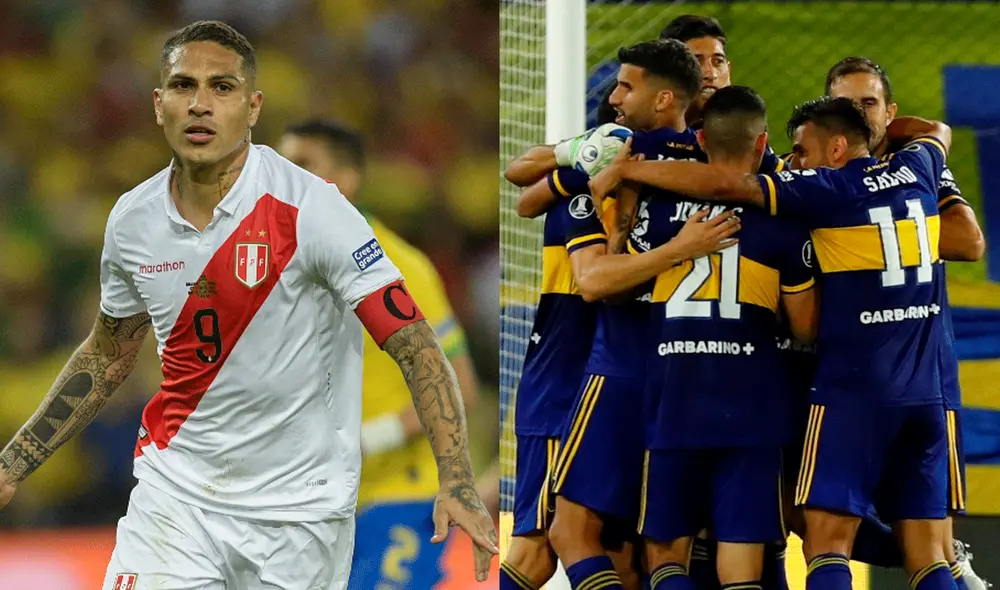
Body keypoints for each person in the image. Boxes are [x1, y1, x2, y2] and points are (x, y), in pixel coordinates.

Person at [0, 20, 496, 590]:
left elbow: (414, 343)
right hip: (175, 499)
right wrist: (13, 464)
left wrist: (455, 479)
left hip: (298, 515)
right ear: (159, 105)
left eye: (223, 88)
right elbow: (109, 354)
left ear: (254, 107)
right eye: (184, 87)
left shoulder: (314, 210)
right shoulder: (132, 221)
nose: (201, 105)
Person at [592, 95, 958, 590]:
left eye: (803, 152)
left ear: (835, 149)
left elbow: (727, 185)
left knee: (825, 544)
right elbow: (937, 130)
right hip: (924, 395)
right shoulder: (919, 165)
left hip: (850, 391)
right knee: (930, 554)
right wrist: (882, 128)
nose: (794, 162)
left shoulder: (825, 190)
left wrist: (631, 170)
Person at [276, 119, 489, 589]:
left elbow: (460, 385)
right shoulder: (275, 268)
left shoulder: (398, 266)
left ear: (345, 181)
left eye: (301, 166)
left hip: (397, 492)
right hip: (309, 504)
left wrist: (367, 438)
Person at [823, 56, 988, 590]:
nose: (859, 115)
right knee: (811, 518)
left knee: (922, 537)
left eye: (869, 103)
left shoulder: (918, 167)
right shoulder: (817, 170)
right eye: (846, 105)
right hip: (850, 373)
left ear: (889, 113)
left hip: (926, 374)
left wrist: (867, 231)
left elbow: (968, 241)